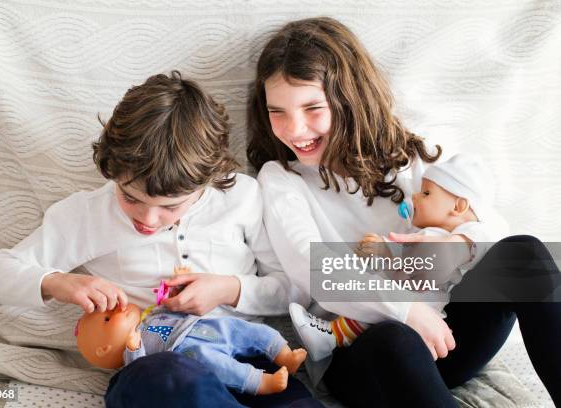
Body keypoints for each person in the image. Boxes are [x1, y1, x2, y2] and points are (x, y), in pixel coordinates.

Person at [247, 16, 561, 407]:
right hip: (366, 352)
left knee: (524, 252)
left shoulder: (410, 159)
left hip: (445, 336)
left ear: (349, 101)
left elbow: (486, 223)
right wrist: (406, 309)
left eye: (313, 108)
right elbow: (314, 269)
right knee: (396, 337)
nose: (295, 130)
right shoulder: (281, 179)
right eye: (278, 111)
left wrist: (459, 245)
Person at [0, 72, 319, 407]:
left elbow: (292, 287)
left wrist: (231, 289)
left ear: (209, 179)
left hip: (249, 360)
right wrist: (59, 283)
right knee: (170, 382)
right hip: (157, 366)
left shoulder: (242, 197)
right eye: (130, 198)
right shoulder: (87, 215)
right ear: (112, 171)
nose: (148, 219)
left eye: (171, 206)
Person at [288, 154, 499, 361]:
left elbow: (485, 240)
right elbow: (403, 273)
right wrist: (385, 253)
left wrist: (388, 253)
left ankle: (332, 336)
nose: (415, 196)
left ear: (458, 206)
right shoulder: (427, 235)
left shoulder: (462, 238)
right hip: (410, 303)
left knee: (380, 313)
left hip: (425, 309)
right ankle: (332, 335)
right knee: (375, 305)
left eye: (426, 193)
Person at [75, 300, 307, 395]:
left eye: (112, 307)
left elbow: (177, 310)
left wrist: (175, 297)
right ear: (104, 348)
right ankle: (261, 383)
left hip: (207, 326)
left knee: (246, 330)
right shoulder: (130, 354)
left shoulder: (150, 317)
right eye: (108, 319)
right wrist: (134, 348)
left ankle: (282, 354)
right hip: (187, 351)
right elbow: (143, 370)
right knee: (219, 366)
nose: (118, 309)